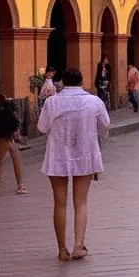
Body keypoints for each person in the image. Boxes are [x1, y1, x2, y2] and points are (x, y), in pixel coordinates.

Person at [38, 68, 109, 262]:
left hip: (58, 156)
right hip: (84, 155)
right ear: (81, 81)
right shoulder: (94, 101)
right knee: (81, 202)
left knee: (59, 203)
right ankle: (79, 245)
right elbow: (105, 125)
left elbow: (42, 127)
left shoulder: (52, 102)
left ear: (62, 82)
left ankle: (62, 249)